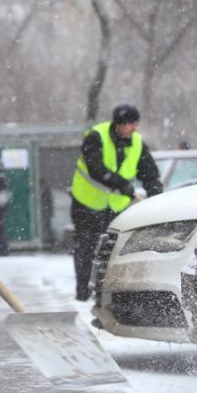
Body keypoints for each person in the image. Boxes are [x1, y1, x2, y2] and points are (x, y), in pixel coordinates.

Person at [69, 103, 162, 302]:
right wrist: (121, 184)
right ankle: (83, 292)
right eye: (130, 124)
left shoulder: (137, 142)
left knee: (112, 250)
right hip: (86, 203)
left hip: (116, 207)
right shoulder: (96, 137)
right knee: (86, 247)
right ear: (118, 124)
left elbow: (149, 172)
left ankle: (105, 293)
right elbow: (96, 168)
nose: (134, 128)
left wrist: (155, 196)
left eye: (136, 123)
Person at [39, 177, 56, 251]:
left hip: (46, 212)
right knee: (47, 227)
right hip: (46, 212)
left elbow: (48, 202)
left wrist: (49, 211)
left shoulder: (46, 191)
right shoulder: (46, 191)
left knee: (47, 227)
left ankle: (51, 242)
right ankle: (50, 242)